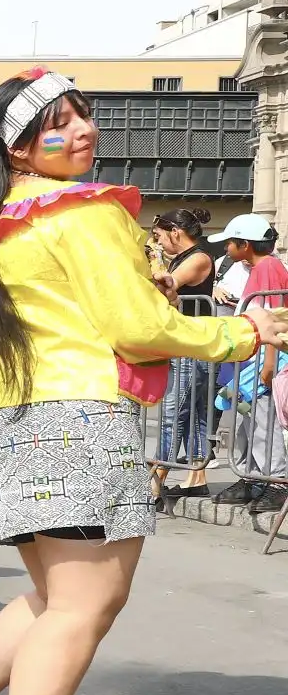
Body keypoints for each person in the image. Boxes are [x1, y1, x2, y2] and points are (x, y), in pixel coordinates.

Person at [0, 68, 283, 695]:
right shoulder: (79, 212)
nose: (82, 130)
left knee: (56, 597)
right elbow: (138, 325)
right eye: (60, 121)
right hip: (71, 417)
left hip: (6, 422)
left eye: (85, 115)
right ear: (19, 149)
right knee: (88, 601)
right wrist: (242, 333)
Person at [205, 213, 288, 513]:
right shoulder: (261, 267)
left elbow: (275, 318)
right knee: (245, 420)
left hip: (264, 360)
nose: (227, 248)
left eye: (230, 242)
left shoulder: (269, 267)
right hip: (251, 359)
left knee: (262, 421)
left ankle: (275, 481)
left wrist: (268, 364)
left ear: (245, 244)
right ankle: (251, 477)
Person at [150, 210, 218, 505]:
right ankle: (195, 476)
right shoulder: (182, 257)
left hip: (193, 345)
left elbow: (165, 287)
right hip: (188, 345)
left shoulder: (199, 258)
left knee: (173, 413)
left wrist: (153, 262)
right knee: (193, 414)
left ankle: (156, 481)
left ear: (175, 231)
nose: (158, 243)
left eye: (159, 237)